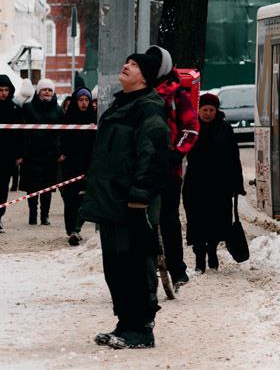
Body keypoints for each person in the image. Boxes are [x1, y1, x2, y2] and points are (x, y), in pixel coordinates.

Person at [80, 52, 170, 350]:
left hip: (133, 204)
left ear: (145, 76)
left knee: (136, 264)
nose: (126, 66)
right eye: (127, 62)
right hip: (112, 203)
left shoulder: (149, 110)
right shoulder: (123, 105)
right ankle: (125, 323)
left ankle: (142, 328)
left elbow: (154, 156)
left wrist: (139, 197)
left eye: (134, 65)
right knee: (116, 266)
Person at [145, 45, 199, 288]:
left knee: (168, 218)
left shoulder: (177, 94)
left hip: (169, 168)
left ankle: (178, 269)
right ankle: (142, 269)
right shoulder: (139, 91)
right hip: (142, 168)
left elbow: (190, 128)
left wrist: (176, 154)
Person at [184, 93, 245, 273]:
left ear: (217, 111)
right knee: (196, 221)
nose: (208, 113)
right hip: (196, 184)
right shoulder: (192, 128)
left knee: (217, 221)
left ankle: (212, 251)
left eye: (211, 110)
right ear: (199, 110)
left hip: (220, 185)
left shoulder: (225, 128)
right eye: (205, 110)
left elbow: (234, 156)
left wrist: (237, 184)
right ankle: (199, 257)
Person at [19, 78, 62, 225]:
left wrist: (60, 150)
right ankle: (32, 215)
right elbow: (21, 131)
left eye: (50, 90)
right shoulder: (28, 108)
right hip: (32, 152)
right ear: (38, 92)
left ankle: (45, 216)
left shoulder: (58, 109)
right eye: (44, 89)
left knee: (47, 187)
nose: (47, 92)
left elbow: (62, 133)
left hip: (50, 154)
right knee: (32, 186)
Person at [58, 88, 96, 245]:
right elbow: (60, 138)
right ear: (75, 101)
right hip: (70, 164)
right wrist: (61, 153)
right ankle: (71, 230)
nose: (84, 103)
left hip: (88, 164)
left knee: (85, 198)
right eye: (81, 100)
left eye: (87, 100)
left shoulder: (93, 118)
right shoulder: (68, 118)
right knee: (70, 197)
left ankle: (76, 227)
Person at [0, 75, 22, 232]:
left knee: (2, 189)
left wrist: (19, 154)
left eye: (6, 90)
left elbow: (20, 133)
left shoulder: (14, 109)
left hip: (6, 156)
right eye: (0, 90)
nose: (3, 93)